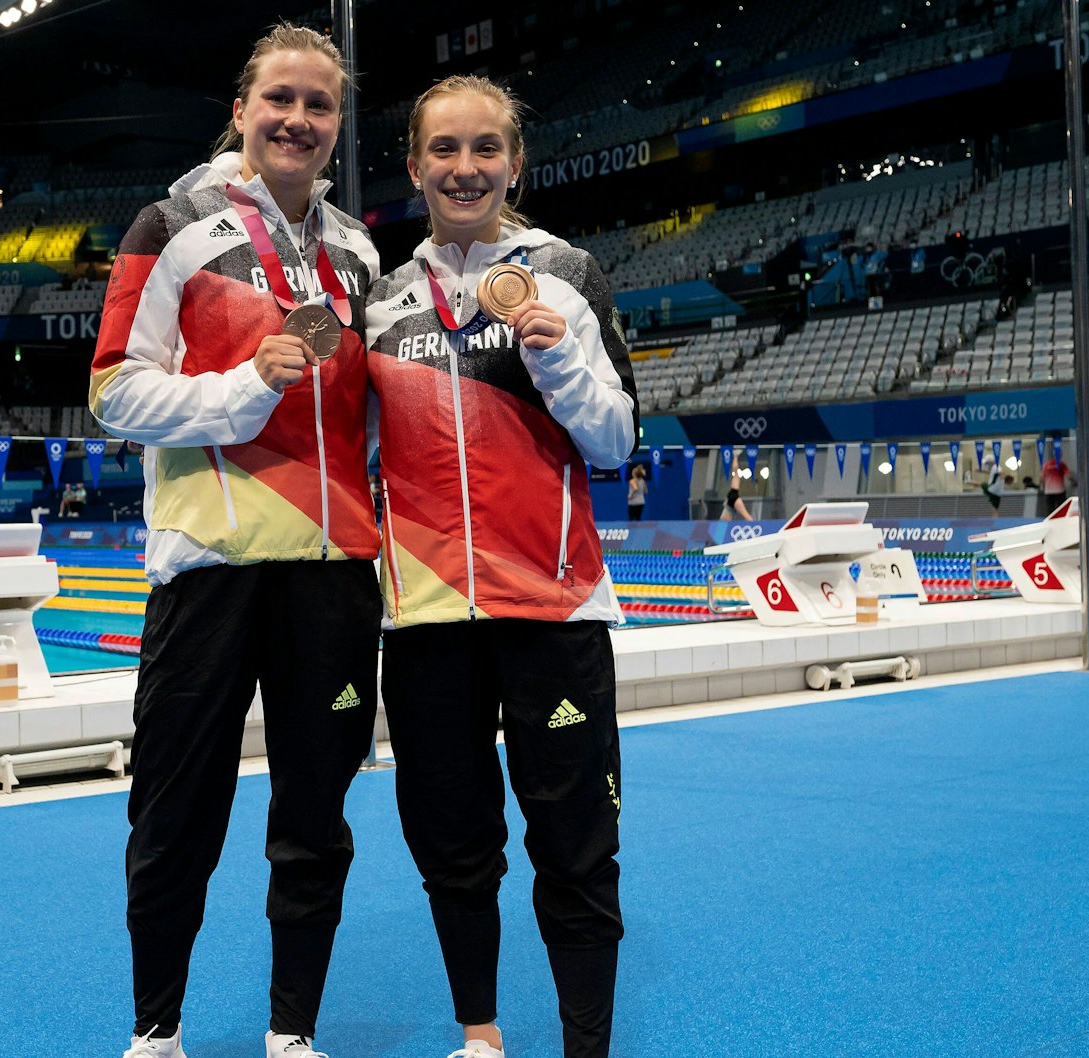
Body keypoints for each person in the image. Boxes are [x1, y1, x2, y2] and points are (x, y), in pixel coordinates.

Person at [89, 24, 381, 1058]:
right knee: (174, 813)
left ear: (337, 125)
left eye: (319, 105)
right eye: (281, 100)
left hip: (333, 575)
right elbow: (113, 392)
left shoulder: (356, 250)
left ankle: (290, 1031)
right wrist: (245, 386)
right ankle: (154, 1030)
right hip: (208, 569)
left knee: (315, 815)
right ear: (243, 107)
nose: (298, 120)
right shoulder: (168, 225)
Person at [364, 75, 636, 1058]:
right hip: (427, 620)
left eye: (485, 148)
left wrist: (556, 355)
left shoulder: (564, 273)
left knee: (574, 849)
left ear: (514, 162)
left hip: (552, 611)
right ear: (413, 166)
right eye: (444, 149)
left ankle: (583, 1047)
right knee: (452, 846)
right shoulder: (382, 301)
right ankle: (479, 1034)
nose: (464, 167)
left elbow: (613, 443)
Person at [1040, 448, 1074, 514]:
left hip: (1049, 490)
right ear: (1060, 455)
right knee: (1061, 508)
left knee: (1050, 509)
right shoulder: (1062, 465)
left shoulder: (1046, 464)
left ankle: (1049, 522)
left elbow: (1041, 478)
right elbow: (1069, 476)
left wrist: (1044, 488)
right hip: (1059, 490)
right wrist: (1075, 482)